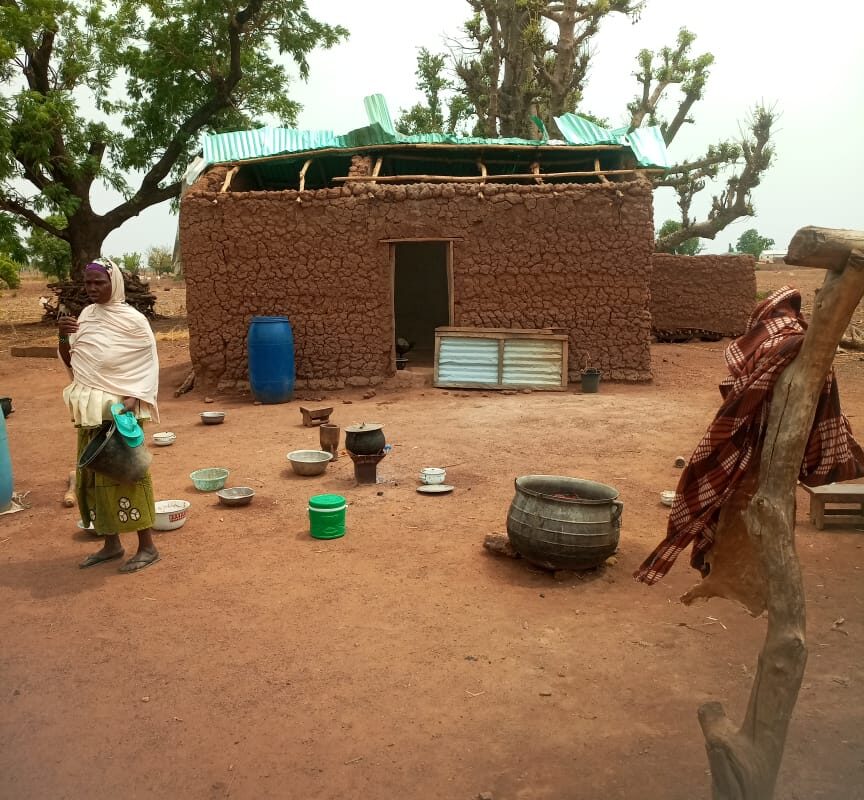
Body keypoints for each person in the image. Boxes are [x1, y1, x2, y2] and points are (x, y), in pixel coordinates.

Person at [58, 258, 162, 573]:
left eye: (98, 282)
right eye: (88, 283)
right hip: (90, 410)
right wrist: (63, 337)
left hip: (120, 414)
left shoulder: (132, 320)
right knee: (94, 479)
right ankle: (111, 544)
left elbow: (147, 362)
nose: (91, 288)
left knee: (127, 476)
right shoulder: (86, 317)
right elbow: (74, 362)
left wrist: (133, 398)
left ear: (112, 283)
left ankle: (147, 546)